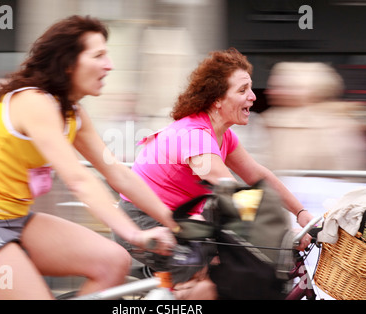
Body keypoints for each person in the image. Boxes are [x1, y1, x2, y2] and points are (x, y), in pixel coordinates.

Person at [0, 15, 178, 300]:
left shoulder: (73, 114)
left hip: (14, 218)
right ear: (68, 63)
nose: (110, 65)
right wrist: (134, 234)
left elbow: (118, 174)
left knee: (113, 261)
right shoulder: (34, 102)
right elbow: (79, 180)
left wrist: (175, 222)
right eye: (99, 55)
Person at [115, 48, 314, 299]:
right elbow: (230, 191)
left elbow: (257, 176)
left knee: (233, 273)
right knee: (207, 289)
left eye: (250, 88)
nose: (253, 96)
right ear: (217, 99)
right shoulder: (195, 137)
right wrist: (283, 235)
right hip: (145, 220)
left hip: (183, 221)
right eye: (242, 91)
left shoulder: (222, 134)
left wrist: (301, 213)